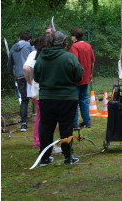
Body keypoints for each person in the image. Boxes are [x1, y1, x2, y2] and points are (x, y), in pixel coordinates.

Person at [33, 31, 84, 166]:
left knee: (46, 127)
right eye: (66, 42)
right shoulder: (69, 57)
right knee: (66, 127)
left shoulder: (42, 57)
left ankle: (44, 158)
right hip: (67, 98)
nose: (67, 44)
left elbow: (36, 77)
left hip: (46, 98)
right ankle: (68, 157)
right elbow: (79, 75)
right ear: (63, 43)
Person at [23, 36, 50, 148]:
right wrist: (29, 80)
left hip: (37, 91)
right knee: (43, 115)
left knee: (41, 114)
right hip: (36, 92)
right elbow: (26, 68)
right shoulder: (34, 54)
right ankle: (38, 141)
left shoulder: (37, 54)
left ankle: (37, 139)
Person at [7, 32, 35, 132]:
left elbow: (9, 63)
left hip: (19, 76)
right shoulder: (30, 46)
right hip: (30, 74)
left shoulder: (13, 47)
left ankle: (23, 124)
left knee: (24, 100)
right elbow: (36, 58)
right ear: (28, 39)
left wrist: (12, 73)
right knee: (37, 97)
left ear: (20, 38)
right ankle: (43, 119)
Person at [69, 28, 96, 129]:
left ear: (75, 37)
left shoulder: (74, 46)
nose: (71, 37)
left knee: (74, 101)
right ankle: (86, 122)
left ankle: (74, 124)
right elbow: (93, 62)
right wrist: (90, 74)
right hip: (86, 77)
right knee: (84, 100)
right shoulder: (88, 45)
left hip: (76, 79)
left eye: (72, 36)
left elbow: (73, 62)